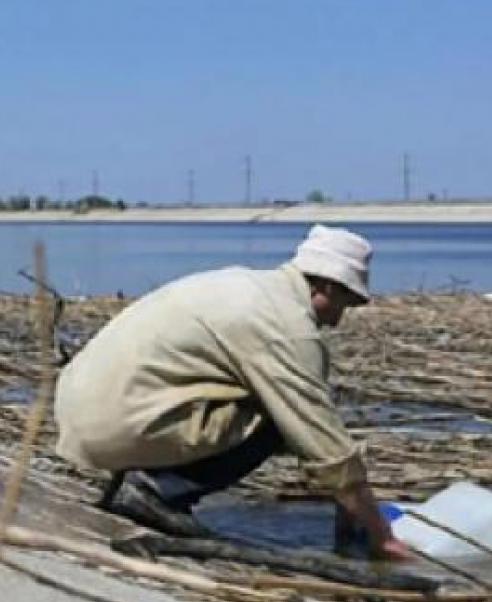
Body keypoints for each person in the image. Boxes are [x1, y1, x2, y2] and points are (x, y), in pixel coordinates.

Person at [53, 224, 410, 559]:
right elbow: (323, 443)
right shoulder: (287, 328)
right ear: (327, 288)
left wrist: (346, 506)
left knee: (277, 410)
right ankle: (158, 491)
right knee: (276, 419)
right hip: (116, 423)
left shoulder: (247, 284)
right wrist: (383, 538)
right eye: (343, 304)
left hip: (79, 410)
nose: (337, 320)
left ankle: (150, 478)